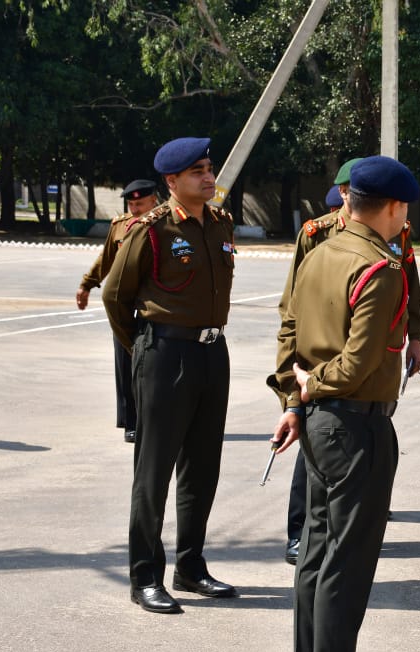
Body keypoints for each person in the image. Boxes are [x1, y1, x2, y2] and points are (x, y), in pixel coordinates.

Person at [268, 155, 419, 652]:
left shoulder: (317, 253)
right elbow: (355, 365)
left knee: (314, 556)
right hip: (355, 427)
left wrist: (294, 397)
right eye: (406, 212)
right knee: (346, 567)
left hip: (316, 424)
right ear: (395, 207)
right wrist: (311, 386)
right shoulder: (381, 268)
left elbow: (289, 332)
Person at [101, 137, 238, 614]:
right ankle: (145, 576)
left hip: (211, 352)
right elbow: (115, 295)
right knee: (154, 470)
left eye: (209, 166)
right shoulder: (150, 229)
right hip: (165, 354)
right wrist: (140, 349)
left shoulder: (221, 222)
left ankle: (191, 566)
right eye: (196, 170)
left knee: (202, 467)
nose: (208, 175)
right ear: (172, 182)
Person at [278, 159, 420, 565]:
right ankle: (299, 534)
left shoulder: (394, 242)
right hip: (341, 399)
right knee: (339, 553)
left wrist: (414, 335)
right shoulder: (318, 238)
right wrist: (299, 391)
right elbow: (293, 315)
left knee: (323, 553)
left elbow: (408, 285)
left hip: (345, 392)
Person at [76, 179, 158, 443]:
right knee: (125, 363)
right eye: (131, 203)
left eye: (140, 203)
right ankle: (130, 421)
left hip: (154, 307)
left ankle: (157, 416)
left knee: (155, 365)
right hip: (124, 306)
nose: (135, 208)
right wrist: (87, 284)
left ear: (153, 201)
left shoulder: (167, 224)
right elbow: (106, 259)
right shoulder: (120, 226)